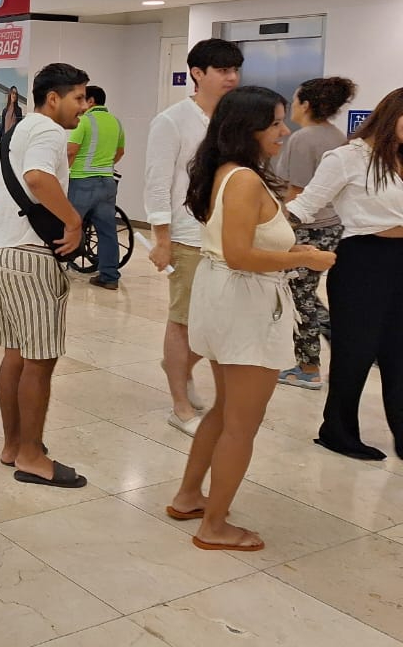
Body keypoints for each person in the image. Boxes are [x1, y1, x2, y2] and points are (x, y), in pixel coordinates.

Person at [168, 86, 336, 551]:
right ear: (248, 129)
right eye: (277, 123)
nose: (286, 131)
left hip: (227, 296)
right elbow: (242, 255)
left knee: (225, 411)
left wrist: (291, 251)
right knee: (242, 423)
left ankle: (189, 497)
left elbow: (239, 246)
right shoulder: (243, 179)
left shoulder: (225, 171)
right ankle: (215, 525)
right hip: (244, 302)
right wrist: (305, 260)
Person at [0, 63, 89, 489]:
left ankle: (14, 445)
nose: (84, 106)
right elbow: (38, 178)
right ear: (53, 98)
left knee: (15, 354)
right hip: (30, 255)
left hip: (0, 250)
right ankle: (31, 455)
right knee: (40, 360)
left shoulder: (19, 129)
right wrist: (73, 221)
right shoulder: (48, 130)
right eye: (79, 97)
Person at [289, 87, 403, 461]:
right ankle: (337, 431)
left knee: (398, 353)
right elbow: (305, 205)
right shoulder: (347, 158)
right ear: (391, 115)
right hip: (364, 261)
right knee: (355, 352)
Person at [145, 38, 243, 436]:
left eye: (236, 70)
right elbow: (157, 183)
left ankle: (178, 368)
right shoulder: (172, 121)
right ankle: (180, 405)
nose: (232, 78)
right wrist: (161, 238)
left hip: (227, 234)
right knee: (183, 320)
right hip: (188, 235)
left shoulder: (234, 121)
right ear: (197, 74)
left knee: (218, 322)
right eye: (222, 70)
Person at [274, 76, 357, 389]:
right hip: (332, 225)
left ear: (306, 104)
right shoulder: (337, 135)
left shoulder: (303, 138)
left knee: (300, 297)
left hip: (306, 228)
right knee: (306, 293)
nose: (292, 106)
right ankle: (339, 340)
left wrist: (280, 228)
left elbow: (296, 191)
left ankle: (308, 367)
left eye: (295, 100)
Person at [66, 85, 126, 289]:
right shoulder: (116, 122)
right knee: (108, 231)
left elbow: (71, 151)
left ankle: (58, 268)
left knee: (69, 225)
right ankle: (109, 276)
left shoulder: (84, 120)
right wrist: (104, 165)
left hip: (82, 181)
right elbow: (120, 152)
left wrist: (64, 171)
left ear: (91, 101)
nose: (81, 105)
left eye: (83, 99)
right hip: (108, 183)